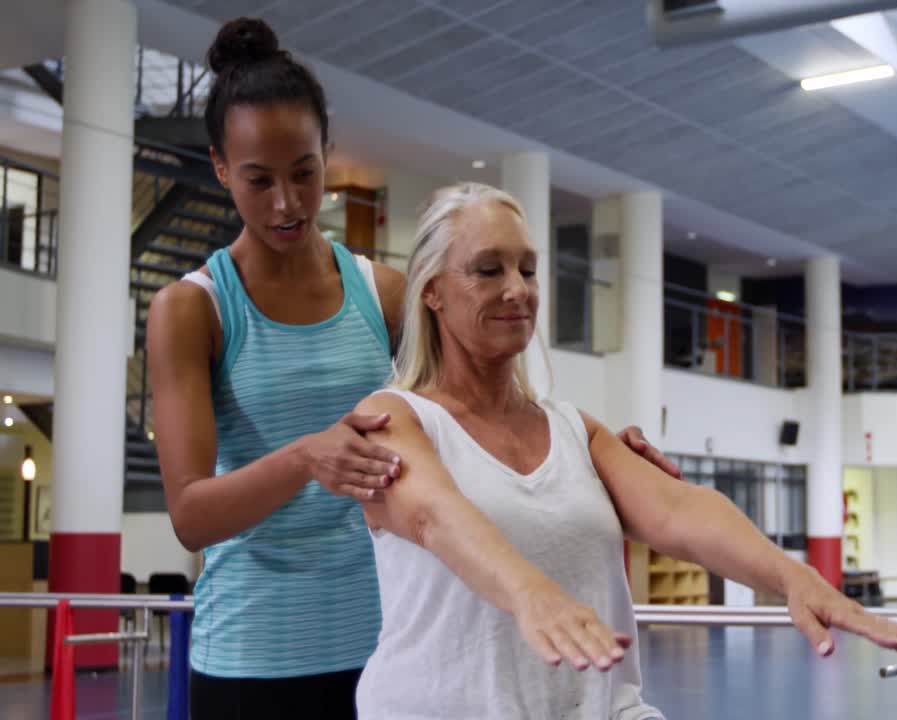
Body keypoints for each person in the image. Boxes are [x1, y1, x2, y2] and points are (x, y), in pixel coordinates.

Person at [147, 18, 678, 720]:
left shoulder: (386, 294)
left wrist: (598, 459)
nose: (287, 202)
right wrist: (308, 457)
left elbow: (483, 410)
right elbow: (190, 515)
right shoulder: (192, 309)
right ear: (219, 167)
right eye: (259, 180)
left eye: (305, 173)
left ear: (328, 154)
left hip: (393, 647)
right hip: (255, 656)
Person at [352, 183, 897, 719]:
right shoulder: (393, 420)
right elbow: (433, 517)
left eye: (527, 269)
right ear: (431, 290)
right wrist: (531, 592)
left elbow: (679, 510)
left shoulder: (576, 430)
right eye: (487, 270)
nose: (518, 289)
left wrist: (792, 578)